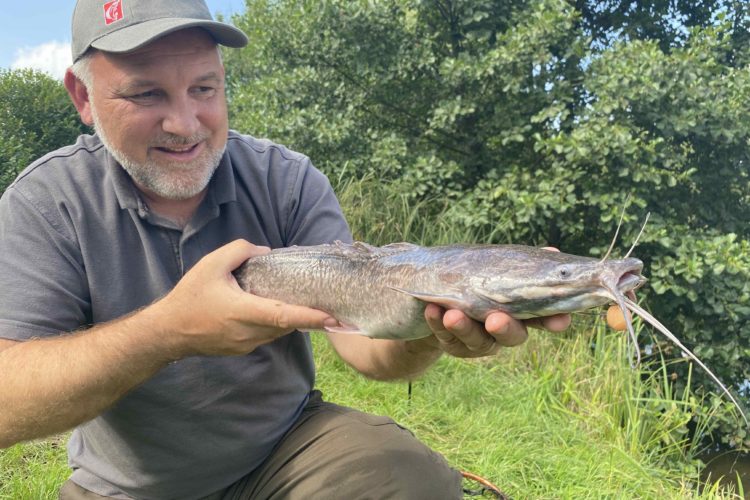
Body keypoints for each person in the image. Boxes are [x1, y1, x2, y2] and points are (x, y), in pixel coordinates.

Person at [0, 0, 570, 498]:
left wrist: (429, 329)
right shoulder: (48, 203)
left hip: (284, 452)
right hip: (129, 487)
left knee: (408, 478)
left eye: (205, 88)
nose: (185, 122)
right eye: (147, 94)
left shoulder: (284, 179)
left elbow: (364, 349)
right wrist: (167, 334)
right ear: (83, 96)